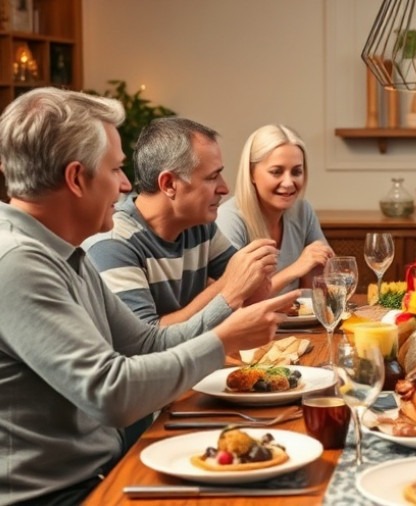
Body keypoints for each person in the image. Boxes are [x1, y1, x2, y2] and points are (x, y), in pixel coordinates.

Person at [0, 88, 298, 505]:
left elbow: (147, 343)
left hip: (104, 473)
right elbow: (113, 394)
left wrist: (228, 327)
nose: (125, 184)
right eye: (115, 169)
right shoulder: (17, 263)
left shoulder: (64, 252)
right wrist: (224, 339)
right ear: (76, 178)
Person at [85, 117, 280, 325]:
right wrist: (227, 284)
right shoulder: (113, 242)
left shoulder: (200, 226)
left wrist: (256, 269)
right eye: (212, 177)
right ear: (169, 184)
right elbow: (146, 338)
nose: (224, 188)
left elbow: (252, 295)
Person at [216, 124, 334, 293]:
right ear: (251, 173)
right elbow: (230, 300)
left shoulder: (303, 211)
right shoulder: (229, 219)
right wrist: (296, 268)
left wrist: (318, 273)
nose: (288, 183)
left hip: (296, 311)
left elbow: (324, 280)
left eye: (296, 172)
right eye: (276, 172)